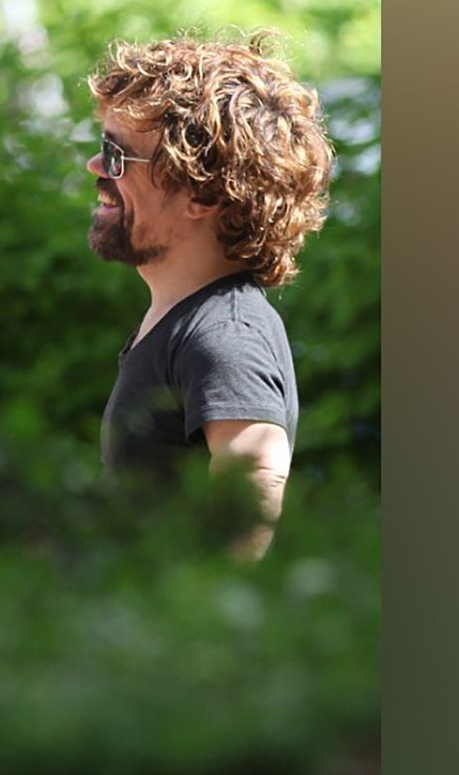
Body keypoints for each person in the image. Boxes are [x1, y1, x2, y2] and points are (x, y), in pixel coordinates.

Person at [83, 33, 335, 560]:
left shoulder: (226, 335)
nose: (95, 168)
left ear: (202, 192)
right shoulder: (184, 318)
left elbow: (252, 500)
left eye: (115, 155)